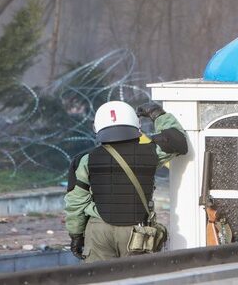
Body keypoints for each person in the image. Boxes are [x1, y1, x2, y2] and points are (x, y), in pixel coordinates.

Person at [64, 100, 188, 263]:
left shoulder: (85, 160)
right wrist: (157, 114)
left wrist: (76, 236)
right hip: (137, 232)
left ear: (97, 128)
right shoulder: (151, 152)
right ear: (136, 125)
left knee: (100, 280)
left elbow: (76, 202)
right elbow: (177, 140)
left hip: (98, 230)